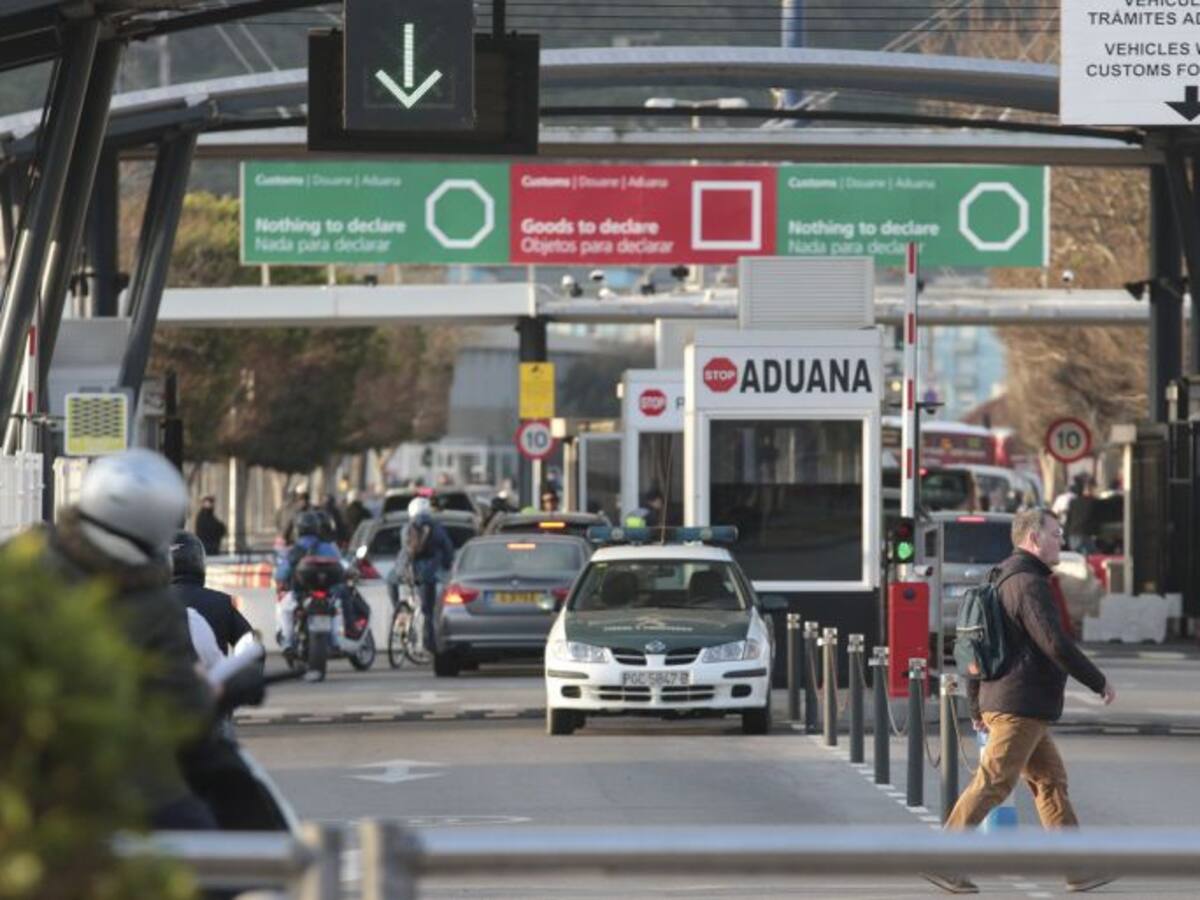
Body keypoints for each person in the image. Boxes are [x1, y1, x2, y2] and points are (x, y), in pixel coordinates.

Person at [926, 508, 1115, 895]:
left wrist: (977, 704)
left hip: (1013, 702)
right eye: (1055, 534)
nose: (1061, 541)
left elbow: (975, 645)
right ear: (1033, 539)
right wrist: (1098, 682)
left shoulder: (999, 576)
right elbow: (1054, 643)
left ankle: (1077, 869)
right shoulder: (1028, 584)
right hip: (1019, 705)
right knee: (993, 783)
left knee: (1050, 782)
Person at [37, 449, 226, 830]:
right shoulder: (156, 604)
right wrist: (209, 693)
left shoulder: (26, 561)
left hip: (26, 769)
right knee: (207, 838)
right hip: (116, 773)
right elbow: (185, 709)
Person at [170, 530, 252, 655]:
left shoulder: (146, 604)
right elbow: (251, 648)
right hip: (213, 667)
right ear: (199, 562)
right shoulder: (222, 603)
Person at [274, 510, 341, 660]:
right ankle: (335, 642)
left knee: (285, 609)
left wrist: (282, 581)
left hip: (301, 594)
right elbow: (340, 570)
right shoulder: (328, 547)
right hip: (327, 594)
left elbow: (281, 574)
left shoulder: (294, 549)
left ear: (298, 529)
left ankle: (287, 643)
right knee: (336, 609)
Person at [394, 496, 454, 653]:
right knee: (428, 611)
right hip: (427, 573)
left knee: (400, 594)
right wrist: (447, 565)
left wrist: (401, 570)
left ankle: (400, 616)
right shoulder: (436, 528)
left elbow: (405, 550)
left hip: (406, 572)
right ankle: (429, 644)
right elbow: (447, 549)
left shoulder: (406, 527)